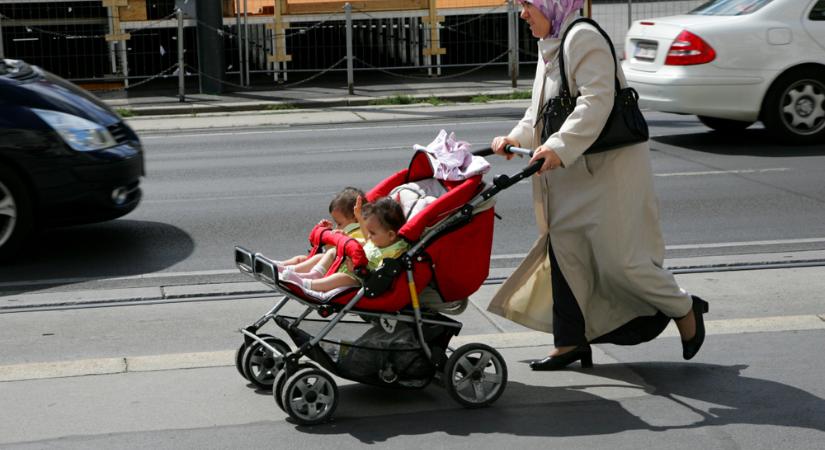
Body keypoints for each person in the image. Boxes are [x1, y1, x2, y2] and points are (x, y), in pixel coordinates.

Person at [487, 0, 708, 371]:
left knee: (624, 263)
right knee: (566, 255)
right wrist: (513, 137)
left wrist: (558, 146)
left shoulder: (582, 38)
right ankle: (570, 342)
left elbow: (596, 102)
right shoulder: (552, 46)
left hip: (607, 173)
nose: (522, 14)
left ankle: (685, 307)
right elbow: (541, 112)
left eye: (527, 4)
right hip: (571, 174)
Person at [282, 196, 410, 293]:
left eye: (373, 233)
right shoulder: (379, 240)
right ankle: (314, 274)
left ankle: (307, 284)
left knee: (341, 277)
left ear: (391, 235)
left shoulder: (396, 251)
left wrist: (359, 271)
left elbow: (381, 273)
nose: (369, 236)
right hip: (352, 266)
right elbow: (366, 238)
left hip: (361, 278)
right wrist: (357, 220)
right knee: (333, 251)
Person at [276, 187, 365, 278]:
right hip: (334, 261)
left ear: (355, 218)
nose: (337, 227)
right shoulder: (346, 230)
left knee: (319, 258)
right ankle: (281, 266)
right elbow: (329, 248)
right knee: (301, 259)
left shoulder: (360, 232)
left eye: (339, 223)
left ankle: (294, 273)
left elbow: (362, 247)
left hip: (344, 267)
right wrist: (327, 236)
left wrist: (347, 239)